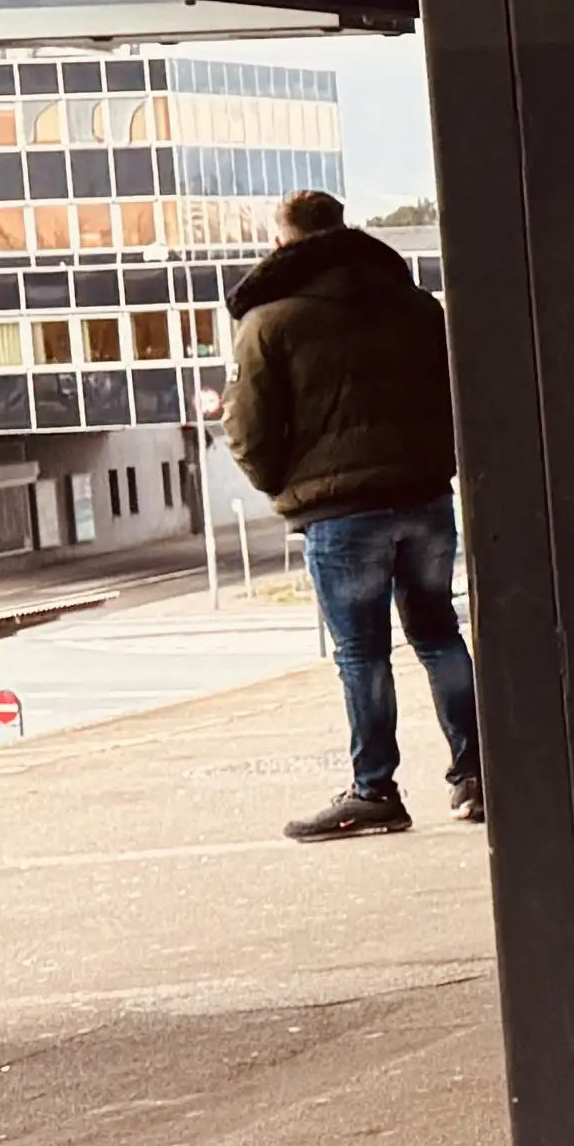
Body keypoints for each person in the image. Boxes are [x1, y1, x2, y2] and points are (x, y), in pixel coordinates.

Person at [220, 187, 477, 840]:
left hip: (342, 514)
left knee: (361, 653)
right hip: (424, 497)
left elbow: (247, 428)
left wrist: (286, 486)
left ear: (283, 242)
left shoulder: (269, 320)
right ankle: (478, 775)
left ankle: (375, 791)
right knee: (438, 633)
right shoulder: (418, 307)